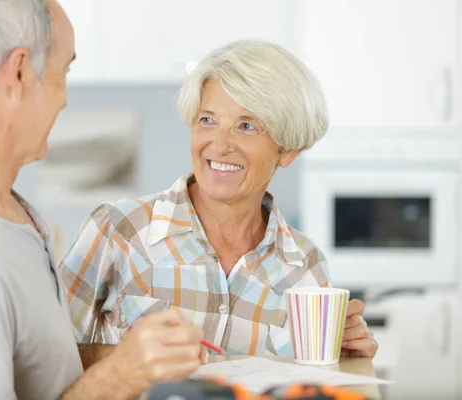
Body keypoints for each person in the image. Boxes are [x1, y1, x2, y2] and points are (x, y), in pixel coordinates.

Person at [0, 1, 206, 399]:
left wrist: (132, 358)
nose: (63, 99)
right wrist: (118, 378)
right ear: (17, 73)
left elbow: (38, 370)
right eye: (62, 71)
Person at [60, 40, 378, 364]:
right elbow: (41, 363)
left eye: (246, 126)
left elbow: (313, 385)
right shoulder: (119, 230)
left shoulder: (305, 267)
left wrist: (346, 358)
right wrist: (129, 358)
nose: (220, 144)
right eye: (207, 120)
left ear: (288, 150)